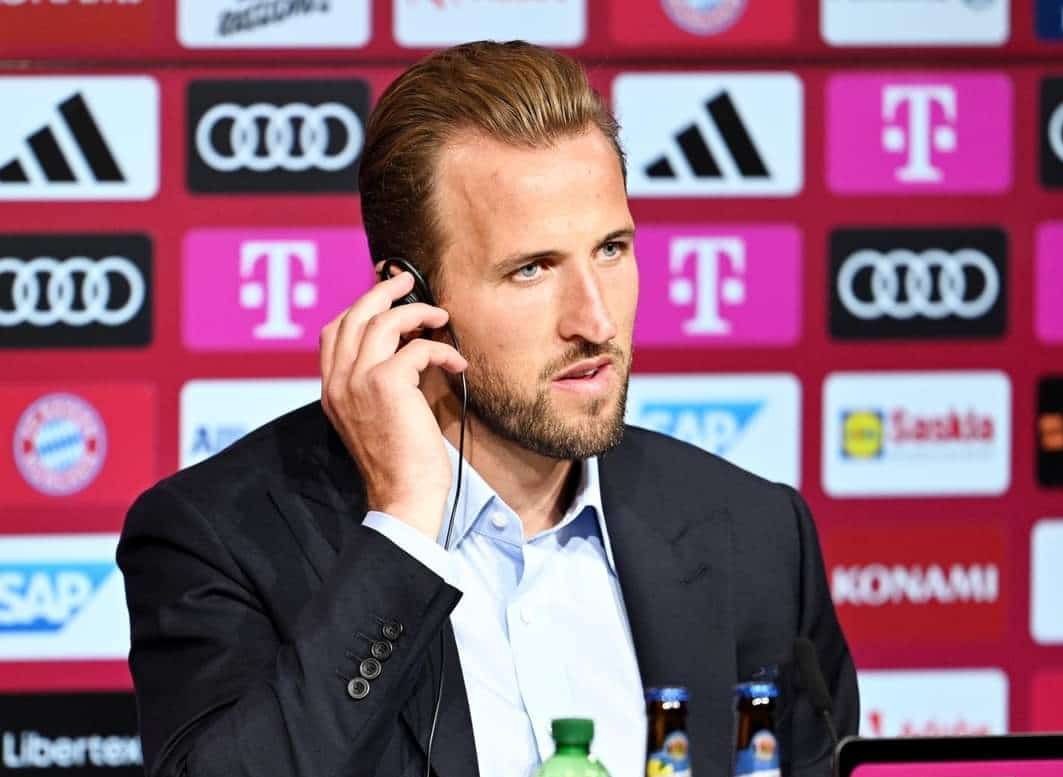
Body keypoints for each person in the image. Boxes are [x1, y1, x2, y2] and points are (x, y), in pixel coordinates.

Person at [118, 41, 858, 777]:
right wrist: (402, 532)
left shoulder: (757, 535)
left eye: (611, 249)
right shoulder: (220, 538)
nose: (595, 320)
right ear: (409, 298)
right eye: (531, 269)